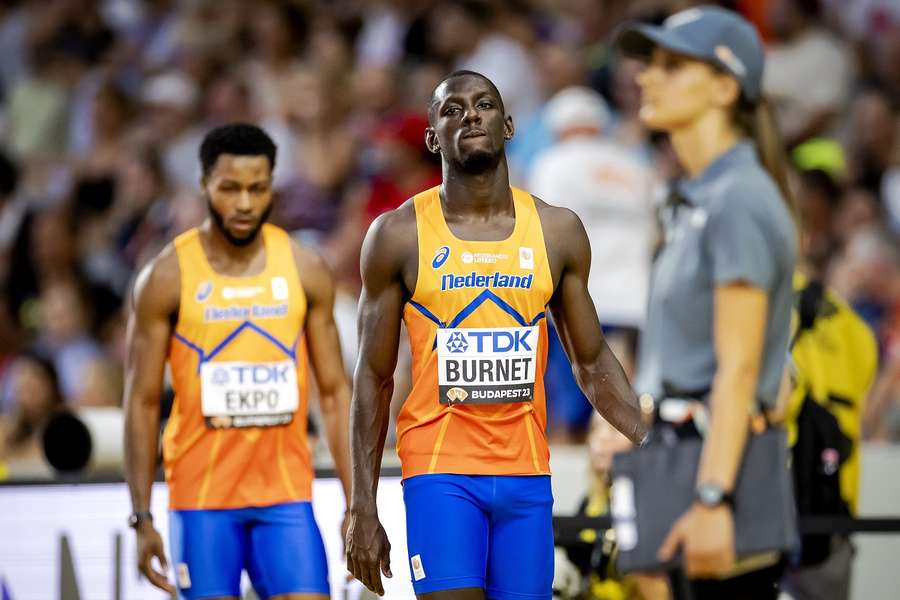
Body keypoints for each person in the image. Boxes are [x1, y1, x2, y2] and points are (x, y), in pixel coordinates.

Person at [345, 70, 647, 600]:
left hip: (526, 474)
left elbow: (593, 361)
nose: (470, 115)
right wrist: (362, 507)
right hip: (440, 472)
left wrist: (652, 443)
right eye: (452, 109)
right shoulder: (397, 235)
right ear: (432, 137)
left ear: (508, 124)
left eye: (483, 104)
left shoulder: (557, 231)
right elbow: (373, 377)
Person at [123, 123, 352, 600]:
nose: (245, 204)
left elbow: (334, 393)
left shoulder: (304, 268)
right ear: (204, 184)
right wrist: (142, 516)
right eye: (230, 188)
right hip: (202, 500)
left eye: (257, 188)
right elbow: (141, 403)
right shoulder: (166, 277)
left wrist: (359, 503)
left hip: (285, 496)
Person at [615, 6, 798, 599]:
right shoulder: (695, 200)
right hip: (675, 460)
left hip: (713, 472)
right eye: (650, 63)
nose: (647, 76)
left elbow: (740, 367)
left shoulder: (738, 198)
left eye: (672, 64)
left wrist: (713, 497)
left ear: (725, 86)